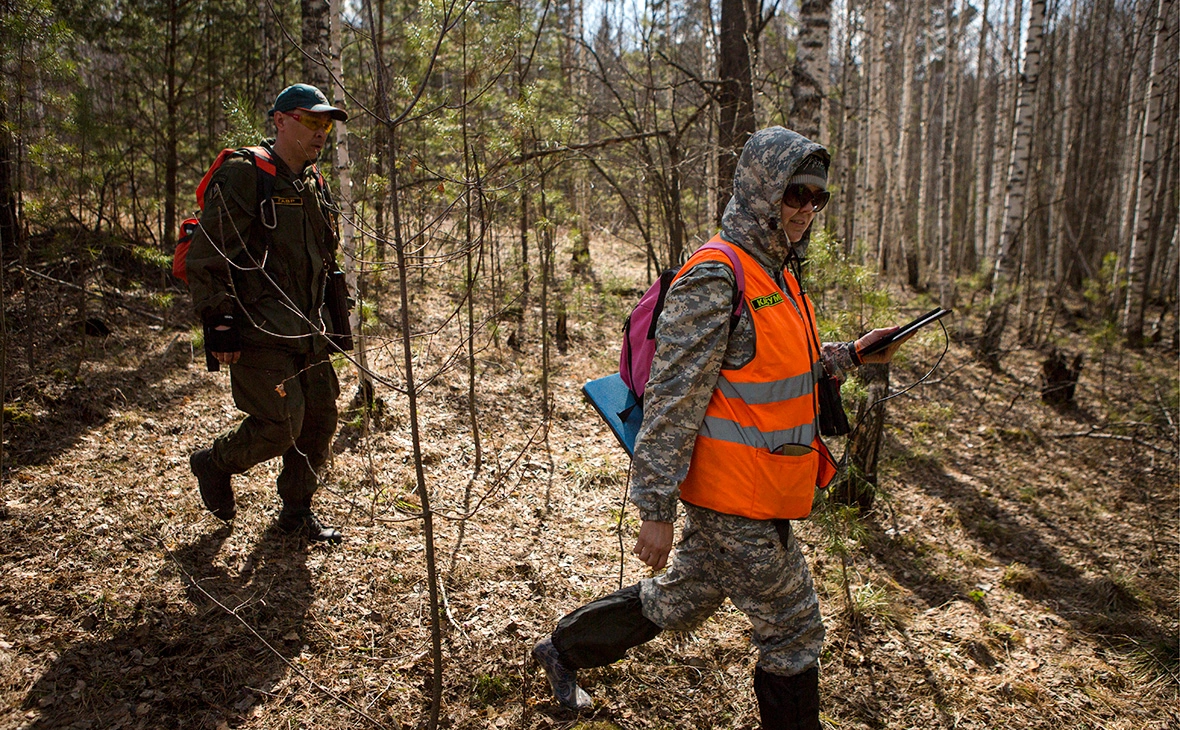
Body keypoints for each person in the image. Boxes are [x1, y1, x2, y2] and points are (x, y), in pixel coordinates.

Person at [531, 127, 909, 728]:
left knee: (681, 598)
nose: (807, 209)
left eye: (818, 197)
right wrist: (654, 508)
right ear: (762, 190)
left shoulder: (777, 272)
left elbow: (776, 367)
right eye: (795, 193)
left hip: (759, 486)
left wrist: (853, 356)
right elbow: (673, 399)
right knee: (792, 633)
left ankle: (562, 649)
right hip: (737, 497)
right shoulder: (717, 276)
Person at [185, 83, 349, 544]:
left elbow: (322, 258)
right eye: (311, 121)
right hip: (258, 326)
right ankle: (213, 463)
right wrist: (219, 323)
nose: (322, 133)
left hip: (310, 328)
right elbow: (207, 255)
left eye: (326, 124)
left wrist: (335, 316)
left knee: (318, 420)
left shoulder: (314, 184)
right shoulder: (245, 174)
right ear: (280, 121)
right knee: (279, 427)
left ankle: (296, 513)